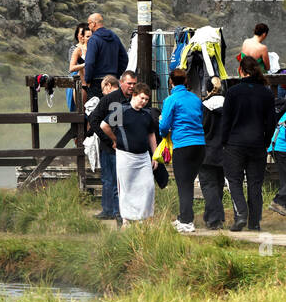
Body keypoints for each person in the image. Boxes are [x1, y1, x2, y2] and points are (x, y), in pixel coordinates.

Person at [217, 60, 275, 232]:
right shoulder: (266, 93)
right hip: (257, 143)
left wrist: (224, 141)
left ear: (240, 71)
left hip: (235, 143)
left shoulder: (233, 92)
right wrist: (266, 141)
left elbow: (226, 120)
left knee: (234, 180)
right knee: (255, 183)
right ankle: (255, 222)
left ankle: (241, 214)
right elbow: (271, 122)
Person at [100, 84, 159, 225]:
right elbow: (104, 125)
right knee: (126, 188)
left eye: (146, 99)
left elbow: (151, 134)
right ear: (134, 95)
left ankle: (143, 218)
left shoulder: (146, 114)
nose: (144, 101)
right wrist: (115, 139)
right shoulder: (122, 110)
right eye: (142, 98)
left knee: (148, 186)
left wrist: (155, 154)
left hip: (143, 156)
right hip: (125, 155)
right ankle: (126, 218)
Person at [158, 67, 205, 233]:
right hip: (200, 145)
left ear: (171, 82)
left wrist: (164, 133)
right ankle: (184, 216)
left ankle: (186, 221)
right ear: (186, 81)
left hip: (183, 145)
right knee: (189, 182)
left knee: (183, 184)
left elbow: (164, 125)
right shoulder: (195, 99)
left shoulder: (171, 100)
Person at [85, 71, 136, 222]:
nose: (132, 87)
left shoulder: (135, 99)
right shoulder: (109, 99)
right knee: (109, 180)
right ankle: (110, 211)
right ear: (121, 83)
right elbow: (94, 120)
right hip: (109, 147)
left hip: (128, 147)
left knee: (123, 181)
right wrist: (107, 141)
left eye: (134, 84)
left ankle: (119, 211)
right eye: (129, 83)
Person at [197, 78, 226, 230]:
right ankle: (210, 217)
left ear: (207, 90)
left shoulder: (204, 107)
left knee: (208, 185)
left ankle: (215, 219)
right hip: (225, 151)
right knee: (219, 184)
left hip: (207, 151)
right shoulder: (229, 105)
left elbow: (201, 128)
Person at [82, 12, 129, 99]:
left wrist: (88, 79)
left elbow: (90, 62)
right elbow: (124, 58)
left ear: (94, 24)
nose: (88, 26)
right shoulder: (114, 37)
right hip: (113, 81)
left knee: (95, 110)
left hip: (97, 83)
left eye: (89, 24)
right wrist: (116, 75)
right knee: (114, 110)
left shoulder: (94, 39)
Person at [67, 21, 90, 112]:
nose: (81, 36)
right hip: (77, 79)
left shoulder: (93, 48)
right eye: (80, 33)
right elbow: (72, 67)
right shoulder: (75, 49)